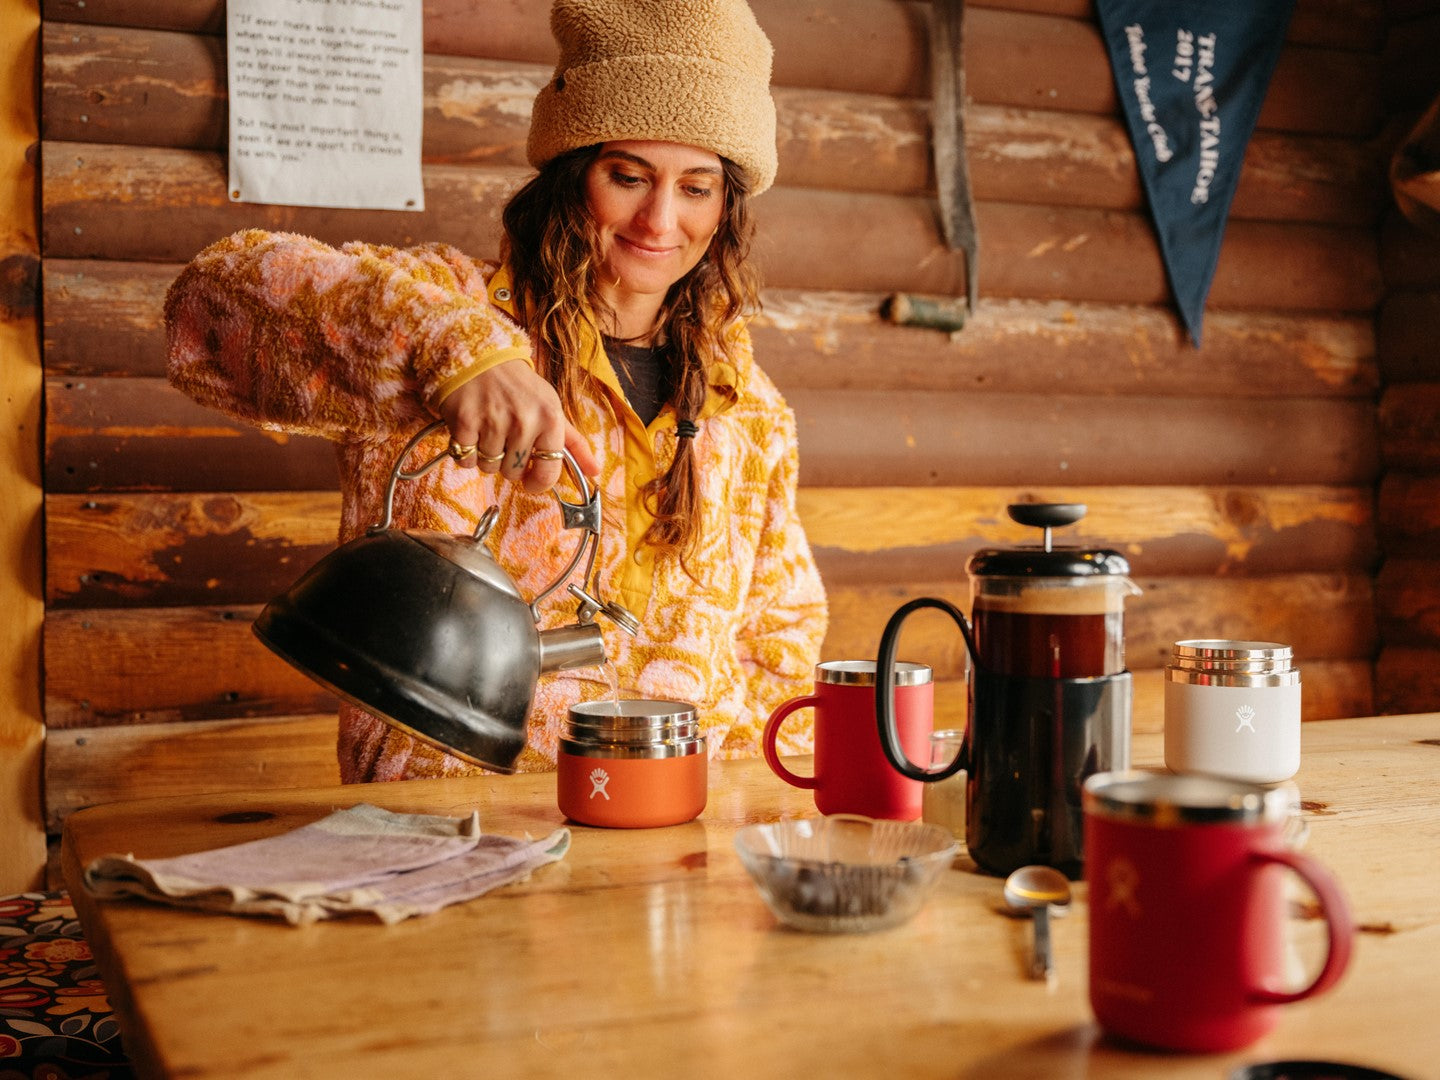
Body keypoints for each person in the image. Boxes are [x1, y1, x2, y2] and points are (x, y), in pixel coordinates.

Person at [164, 0, 828, 782]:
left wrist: (754, 818)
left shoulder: (744, 404)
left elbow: (777, 637)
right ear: (572, 173)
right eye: (628, 177)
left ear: (726, 210)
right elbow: (210, 304)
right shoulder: (446, 307)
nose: (660, 218)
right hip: (451, 835)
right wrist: (459, 355)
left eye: (697, 187)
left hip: (671, 843)